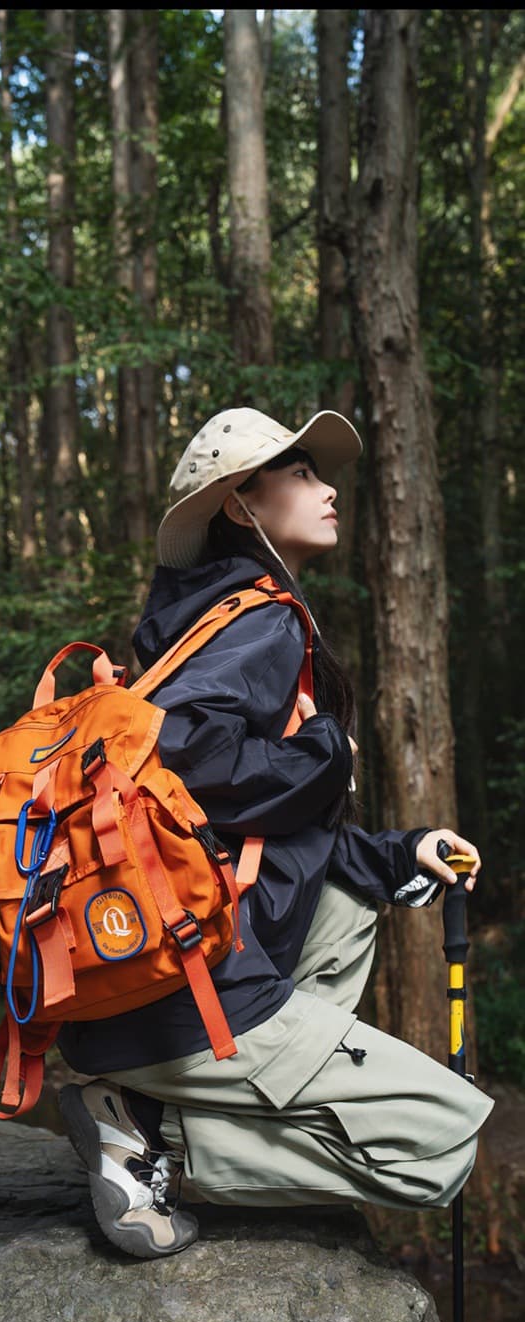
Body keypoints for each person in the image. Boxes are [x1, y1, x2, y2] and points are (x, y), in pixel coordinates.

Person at [57, 405, 494, 1261]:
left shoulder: (193, 623)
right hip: (190, 991)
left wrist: (398, 854)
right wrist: (330, 751)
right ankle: (156, 1137)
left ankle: (144, 1108)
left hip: (136, 981)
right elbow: (196, 755)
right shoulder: (258, 616)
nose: (328, 488)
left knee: (353, 903)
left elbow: (236, 827)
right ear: (237, 504)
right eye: (297, 472)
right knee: (447, 1146)